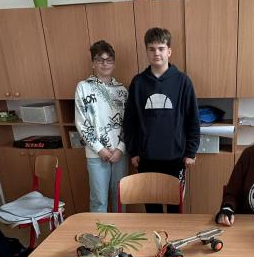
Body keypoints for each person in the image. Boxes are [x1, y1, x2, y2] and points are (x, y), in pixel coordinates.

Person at [124, 27, 200, 213]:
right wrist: (133, 151)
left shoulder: (183, 82)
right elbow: (130, 121)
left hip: (176, 157)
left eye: (161, 48)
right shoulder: (138, 83)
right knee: (152, 208)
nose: (156, 53)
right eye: (151, 49)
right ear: (147, 51)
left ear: (169, 51)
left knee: (175, 208)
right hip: (146, 158)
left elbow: (192, 119)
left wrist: (191, 151)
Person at [75, 40, 128, 212]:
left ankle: (121, 230)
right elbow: (82, 123)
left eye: (109, 59)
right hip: (96, 154)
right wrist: (100, 149)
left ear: (114, 63)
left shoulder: (122, 91)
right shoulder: (83, 87)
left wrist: (120, 149)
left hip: (120, 154)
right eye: (100, 59)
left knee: (121, 199)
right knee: (99, 201)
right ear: (93, 63)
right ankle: (100, 230)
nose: (105, 63)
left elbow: (129, 123)